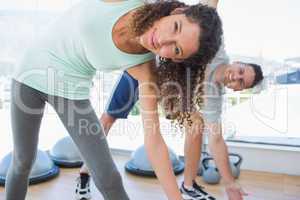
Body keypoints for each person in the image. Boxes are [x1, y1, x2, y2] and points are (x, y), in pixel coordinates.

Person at [5, 0, 223, 199]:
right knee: (23, 162)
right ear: (177, 11)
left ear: (176, 60)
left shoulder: (145, 69)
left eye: (176, 49)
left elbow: (154, 141)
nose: (162, 42)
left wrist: (176, 198)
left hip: (70, 93)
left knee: (108, 177)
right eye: (176, 27)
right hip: (28, 74)